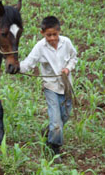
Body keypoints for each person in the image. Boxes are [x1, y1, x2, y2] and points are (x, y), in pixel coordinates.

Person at [19, 16, 77, 161]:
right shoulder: (40, 47)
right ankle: (54, 148)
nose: (52, 38)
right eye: (48, 35)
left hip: (66, 86)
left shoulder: (66, 42)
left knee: (65, 116)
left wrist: (68, 68)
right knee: (56, 122)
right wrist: (16, 67)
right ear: (42, 33)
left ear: (59, 31)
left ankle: (49, 131)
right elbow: (29, 63)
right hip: (51, 87)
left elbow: (73, 57)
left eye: (54, 34)